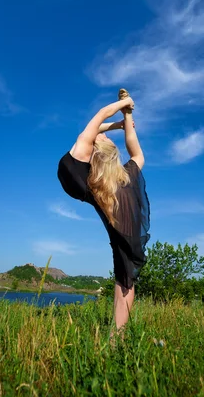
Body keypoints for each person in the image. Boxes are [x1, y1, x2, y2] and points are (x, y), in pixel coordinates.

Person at [57, 89, 150, 337]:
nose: (105, 136)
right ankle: (118, 335)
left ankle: (117, 335)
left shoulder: (91, 172)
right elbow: (136, 152)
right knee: (126, 276)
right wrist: (126, 113)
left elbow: (98, 118)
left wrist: (124, 110)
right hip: (121, 220)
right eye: (104, 137)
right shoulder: (125, 178)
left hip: (82, 183)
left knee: (125, 275)